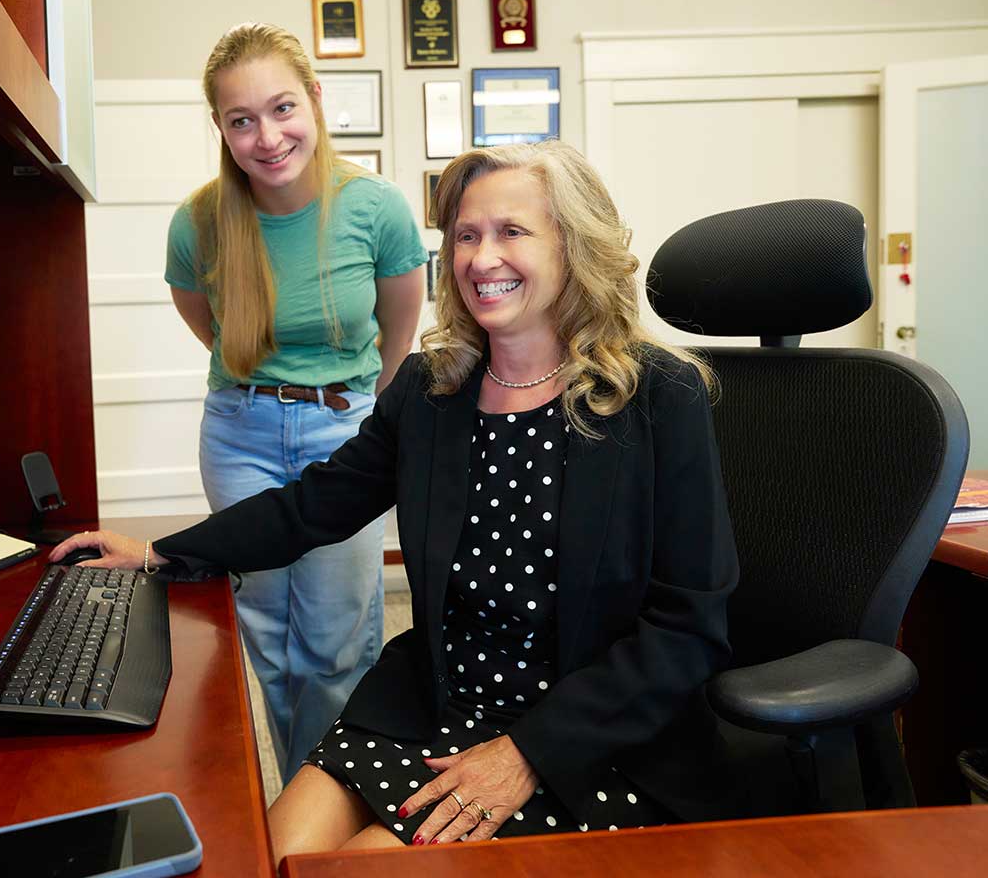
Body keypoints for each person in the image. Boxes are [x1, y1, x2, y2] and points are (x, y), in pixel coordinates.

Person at [54, 140, 740, 856]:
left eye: (512, 232)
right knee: (278, 857)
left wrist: (528, 752)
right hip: (436, 701)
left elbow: (688, 627)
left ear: (574, 247)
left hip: (585, 737)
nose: (481, 259)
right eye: (466, 236)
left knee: (357, 867)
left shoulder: (656, 395)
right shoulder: (431, 390)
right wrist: (162, 552)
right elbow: (314, 504)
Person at [162, 22, 427, 782]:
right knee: (268, 638)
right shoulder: (201, 220)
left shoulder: (375, 208)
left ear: (315, 98)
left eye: (281, 108)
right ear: (220, 128)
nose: (266, 137)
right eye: (241, 120)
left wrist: (366, 427)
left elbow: (398, 336)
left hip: (344, 426)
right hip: (239, 431)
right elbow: (203, 322)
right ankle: (302, 789)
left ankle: (339, 795)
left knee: (337, 642)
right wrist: (266, 380)